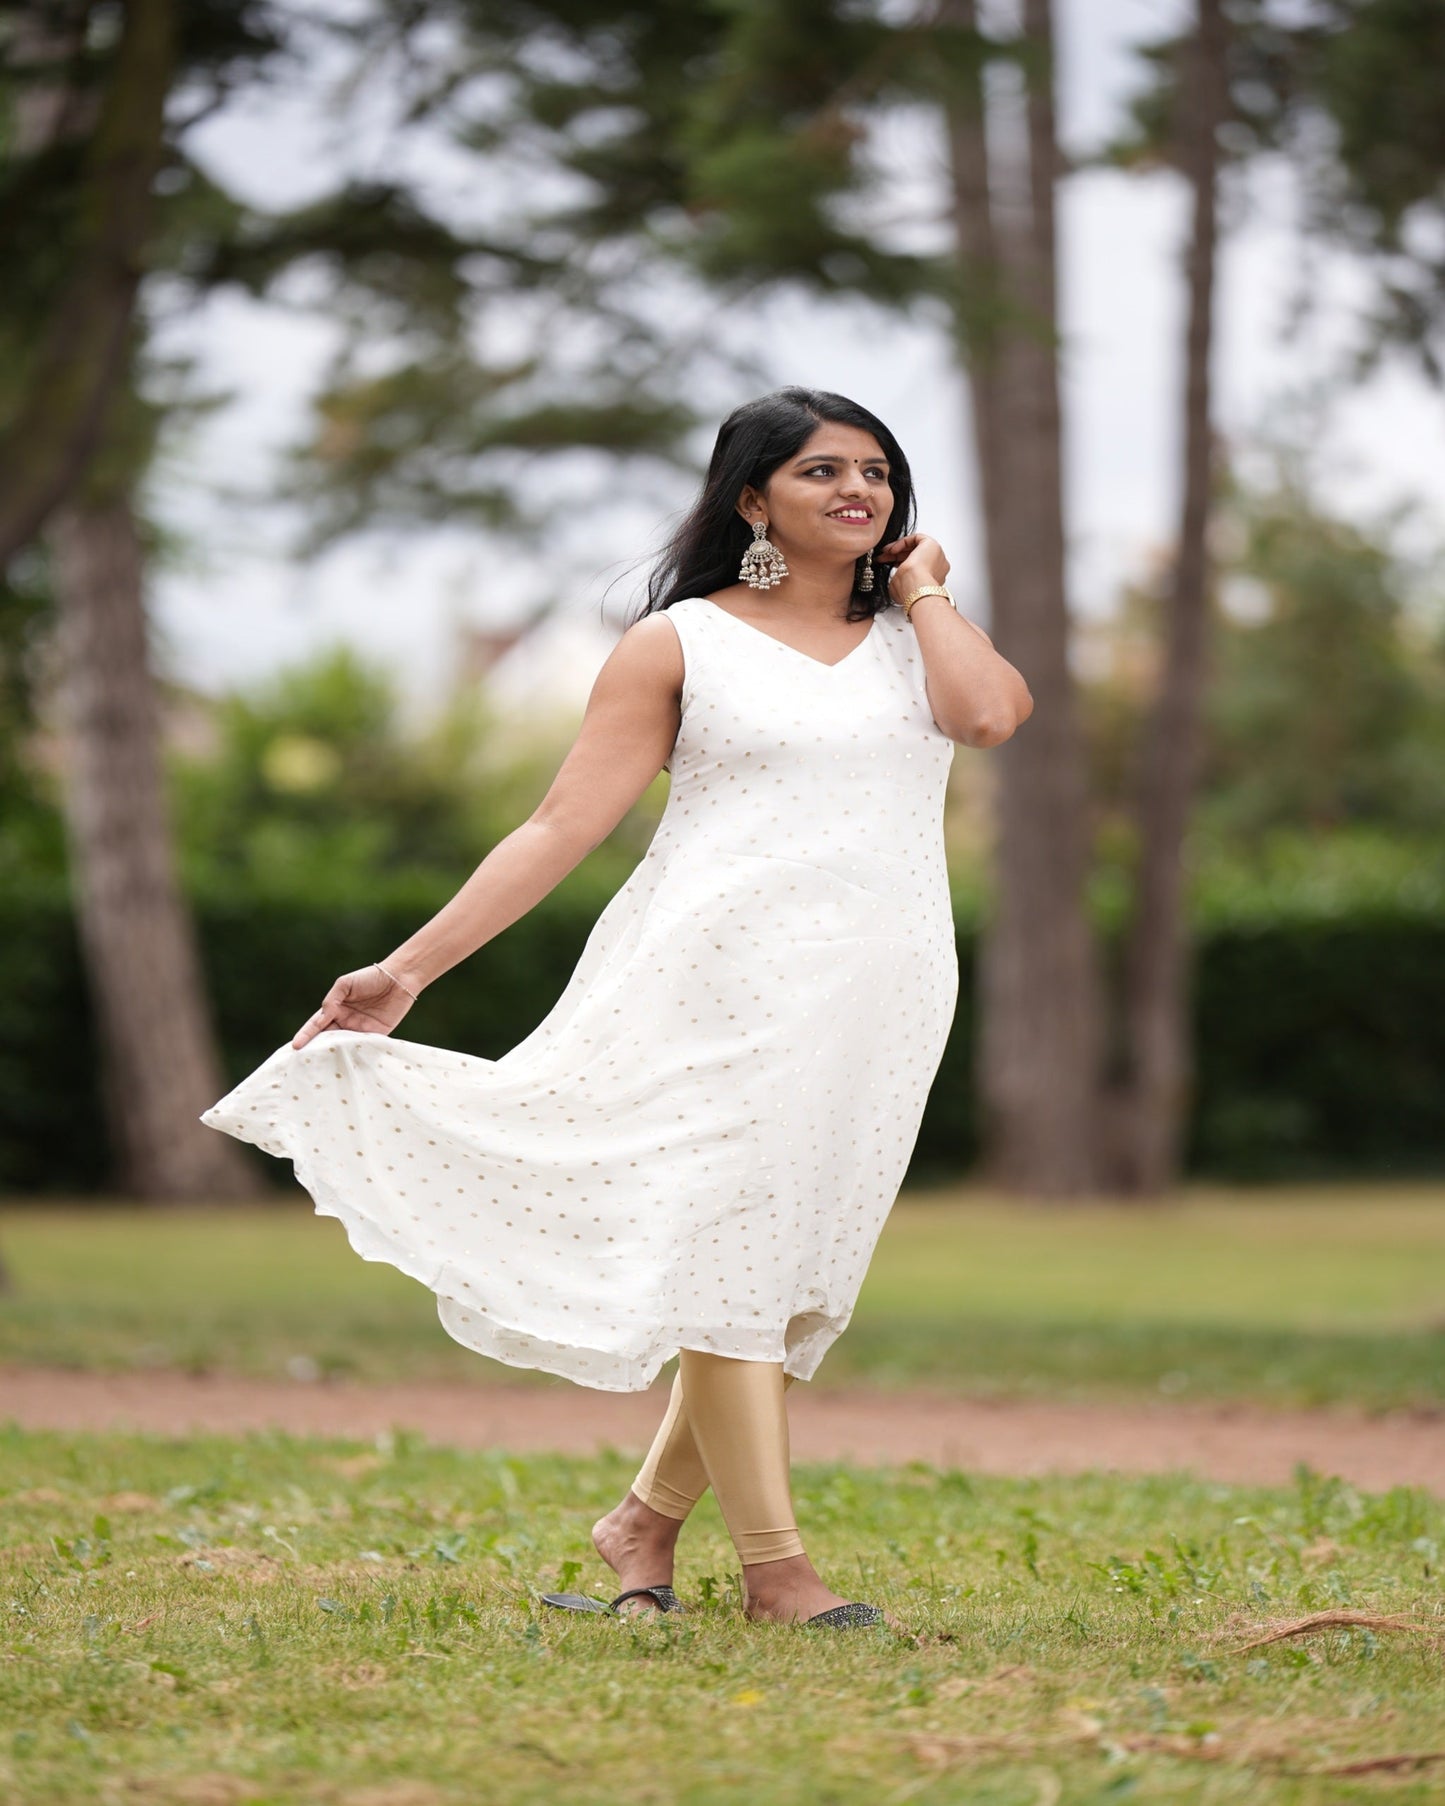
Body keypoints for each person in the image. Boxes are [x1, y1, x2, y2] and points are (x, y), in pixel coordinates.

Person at [201, 386, 1032, 1632]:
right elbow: (557, 827)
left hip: (880, 987)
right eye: (820, 472)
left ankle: (641, 1521)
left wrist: (922, 590)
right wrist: (410, 969)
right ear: (753, 500)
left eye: (875, 472)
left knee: (785, 1273)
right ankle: (779, 1575)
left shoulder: (924, 639)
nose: (858, 491)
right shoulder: (678, 643)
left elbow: (988, 717)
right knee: (736, 1257)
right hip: (711, 980)